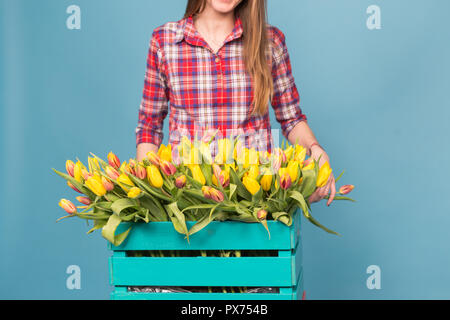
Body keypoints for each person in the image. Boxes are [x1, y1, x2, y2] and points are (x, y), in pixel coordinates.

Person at [136, 0, 336, 205]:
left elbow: (291, 119)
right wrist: (149, 196)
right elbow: (149, 127)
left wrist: (315, 148)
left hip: (255, 201)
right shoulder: (165, 41)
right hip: (189, 200)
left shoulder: (270, 42)